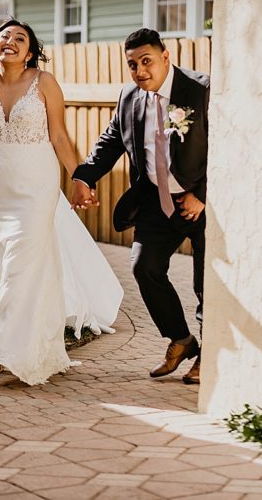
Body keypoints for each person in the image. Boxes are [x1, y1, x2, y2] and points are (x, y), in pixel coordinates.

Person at [0, 4, 122, 385]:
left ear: (31, 52)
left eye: (20, 38)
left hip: (37, 184)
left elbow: (59, 137)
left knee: (20, 263)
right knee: (8, 266)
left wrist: (81, 178)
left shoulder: (44, 82)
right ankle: (34, 346)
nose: (11, 41)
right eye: (4, 35)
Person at [71, 28, 208, 385]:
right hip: (155, 200)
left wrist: (203, 195)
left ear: (165, 56)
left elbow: (227, 145)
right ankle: (181, 340)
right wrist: (84, 175)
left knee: (205, 282)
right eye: (132, 64)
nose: (139, 71)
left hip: (201, 202)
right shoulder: (129, 96)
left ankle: (211, 356)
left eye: (146, 61)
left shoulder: (200, 90)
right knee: (144, 266)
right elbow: (111, 139)